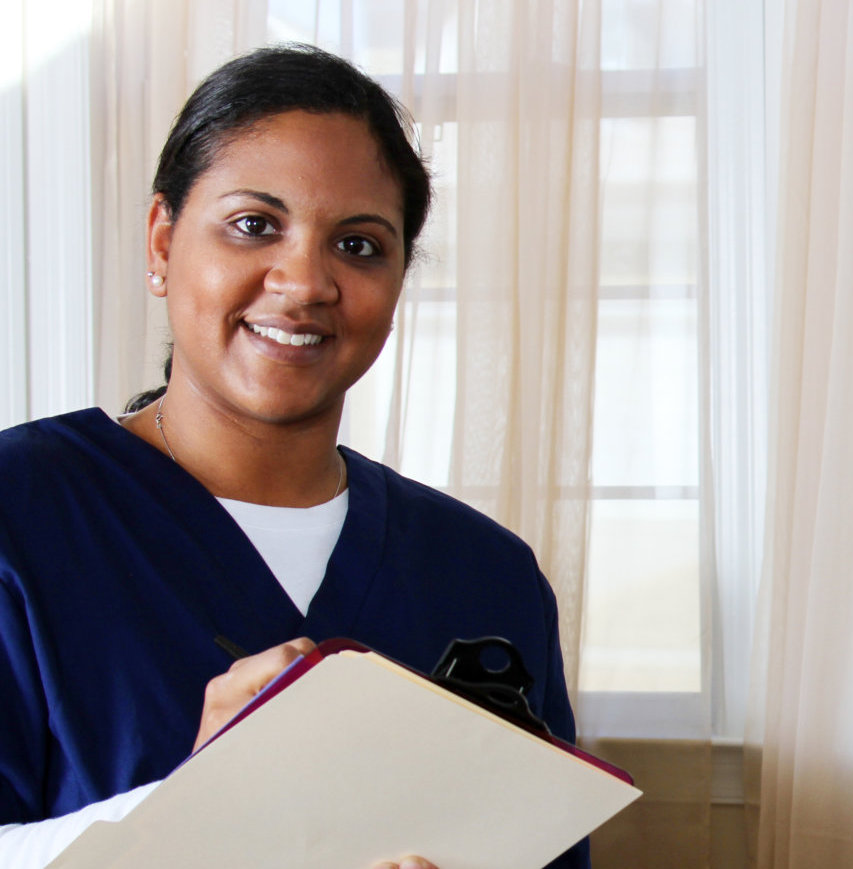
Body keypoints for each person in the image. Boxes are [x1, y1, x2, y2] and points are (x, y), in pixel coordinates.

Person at [0, 45, 586, 869]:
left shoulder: (486, 576)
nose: (306, 281)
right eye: (254, 225)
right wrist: (184, 818)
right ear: (162, 243)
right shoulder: (24, 513)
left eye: (359, 245)